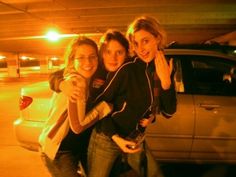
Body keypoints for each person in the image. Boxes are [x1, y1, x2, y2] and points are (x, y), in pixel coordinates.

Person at [87, 16, 177, 177]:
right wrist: (115, 137)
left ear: (157, 38)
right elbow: (99, 105)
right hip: (107, 138)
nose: (141, 48)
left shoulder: (167, 66)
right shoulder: (128, 69)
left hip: (135, 137)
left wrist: (166, 83)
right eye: (136, 43)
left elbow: (169, 111)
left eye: (145, 41)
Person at [47, 29, 131, 177]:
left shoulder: (118, 73)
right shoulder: (81, 77)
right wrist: (61, 84)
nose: (113, 58)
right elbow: (56, 75)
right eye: (108, 52)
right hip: (62, 150)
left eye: (119, 52)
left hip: (88, 144)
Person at [39, 36, 112, 177]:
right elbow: (77, 127)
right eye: (81, 58)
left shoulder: (95, 76)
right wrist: (104, 108)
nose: (88, 62)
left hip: (80, 147)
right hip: (60, 151)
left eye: (92, 57)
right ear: (72, 60)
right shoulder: (75, 81)